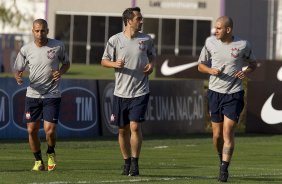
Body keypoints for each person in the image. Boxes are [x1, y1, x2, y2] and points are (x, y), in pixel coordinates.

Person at [198, 16, 257, 182]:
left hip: (234, 94)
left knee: (227, 132)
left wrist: (245, 71)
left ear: (228, 30)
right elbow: (200, 65)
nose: (215, 31)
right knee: (216, 135)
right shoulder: (210, 43)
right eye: (215, 28)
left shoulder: (243, 45)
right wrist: (210, 71)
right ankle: (221, 156)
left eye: (219, 28)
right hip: (215, 93)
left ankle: (224, 169)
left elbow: (253, 64)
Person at [101, 7, 156, 176]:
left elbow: (152, 56)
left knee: (134, 126)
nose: (141, 21)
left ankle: (135, 163)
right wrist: (114, 64)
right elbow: (103, 61)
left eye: (141, 18)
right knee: (122, 130)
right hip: (120, 92)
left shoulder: (146, 39)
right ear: (128, 21)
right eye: (138, 18)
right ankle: (126, 162)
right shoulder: (115, 40)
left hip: (140, 91)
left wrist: (151, 65)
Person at [14, 19, 70, 171]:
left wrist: (61, 72)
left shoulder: (58, 46)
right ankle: (38, 161)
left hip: (52, 94)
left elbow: (66, 63)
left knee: (49, 130)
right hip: (32, 95)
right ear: (33, 31)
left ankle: (51, 152)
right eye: (37, 31)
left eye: (43, 30)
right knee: (31, 130)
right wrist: (18, 76)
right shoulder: (26, 49)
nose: (40, 34)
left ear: (48, 31)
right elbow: (18, 68)